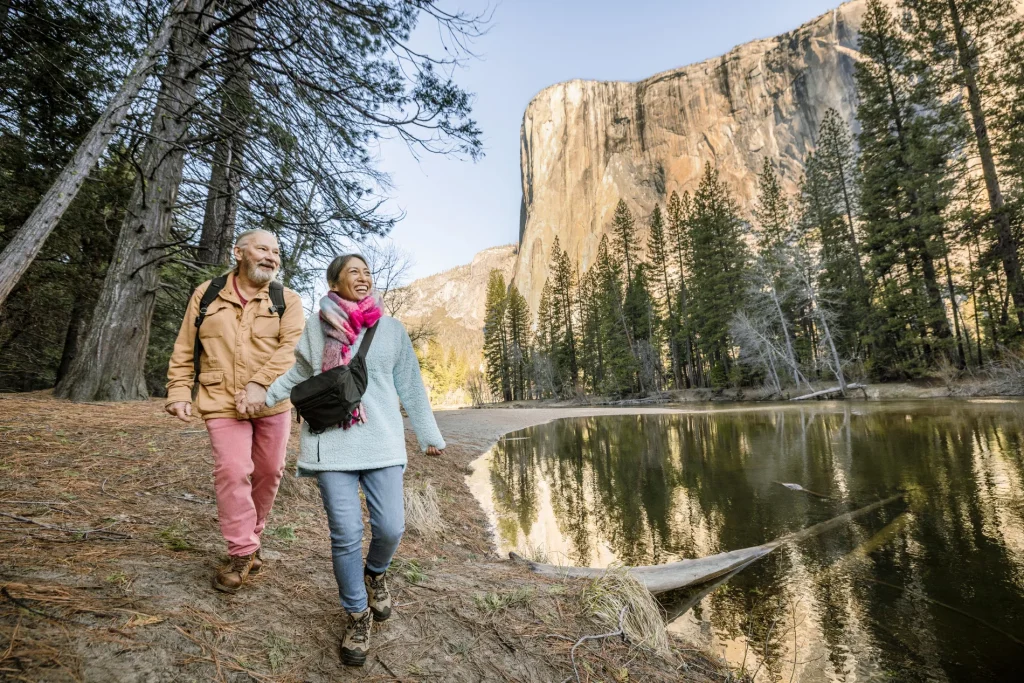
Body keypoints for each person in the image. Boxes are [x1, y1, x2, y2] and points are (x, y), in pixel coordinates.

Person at [249, 253, 445, 667]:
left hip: (383, 443)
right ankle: (357, 614)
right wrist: (263, 396)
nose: (364, 277)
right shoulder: (316, 330)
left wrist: (429, 434)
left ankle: (376, 572)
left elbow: (411, 384)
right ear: (334, 283)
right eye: (353, 272)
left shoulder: (390, 330)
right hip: (331, 445)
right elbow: (297, 374)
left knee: (391, 527)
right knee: (345, 533)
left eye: (367, 272)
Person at [165, 229, 304, 593]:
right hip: (220, 398)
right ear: (238, 252)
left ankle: (251, 537)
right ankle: (242, 552)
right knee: (232, 469)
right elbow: (185, 346)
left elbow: (293, 350)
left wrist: (261, 384)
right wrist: (179, 389)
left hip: (273, 402)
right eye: (263, 248)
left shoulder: (286, 299)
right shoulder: (207, 294)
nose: (272, 256)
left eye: (277, 251)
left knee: (270, 472)